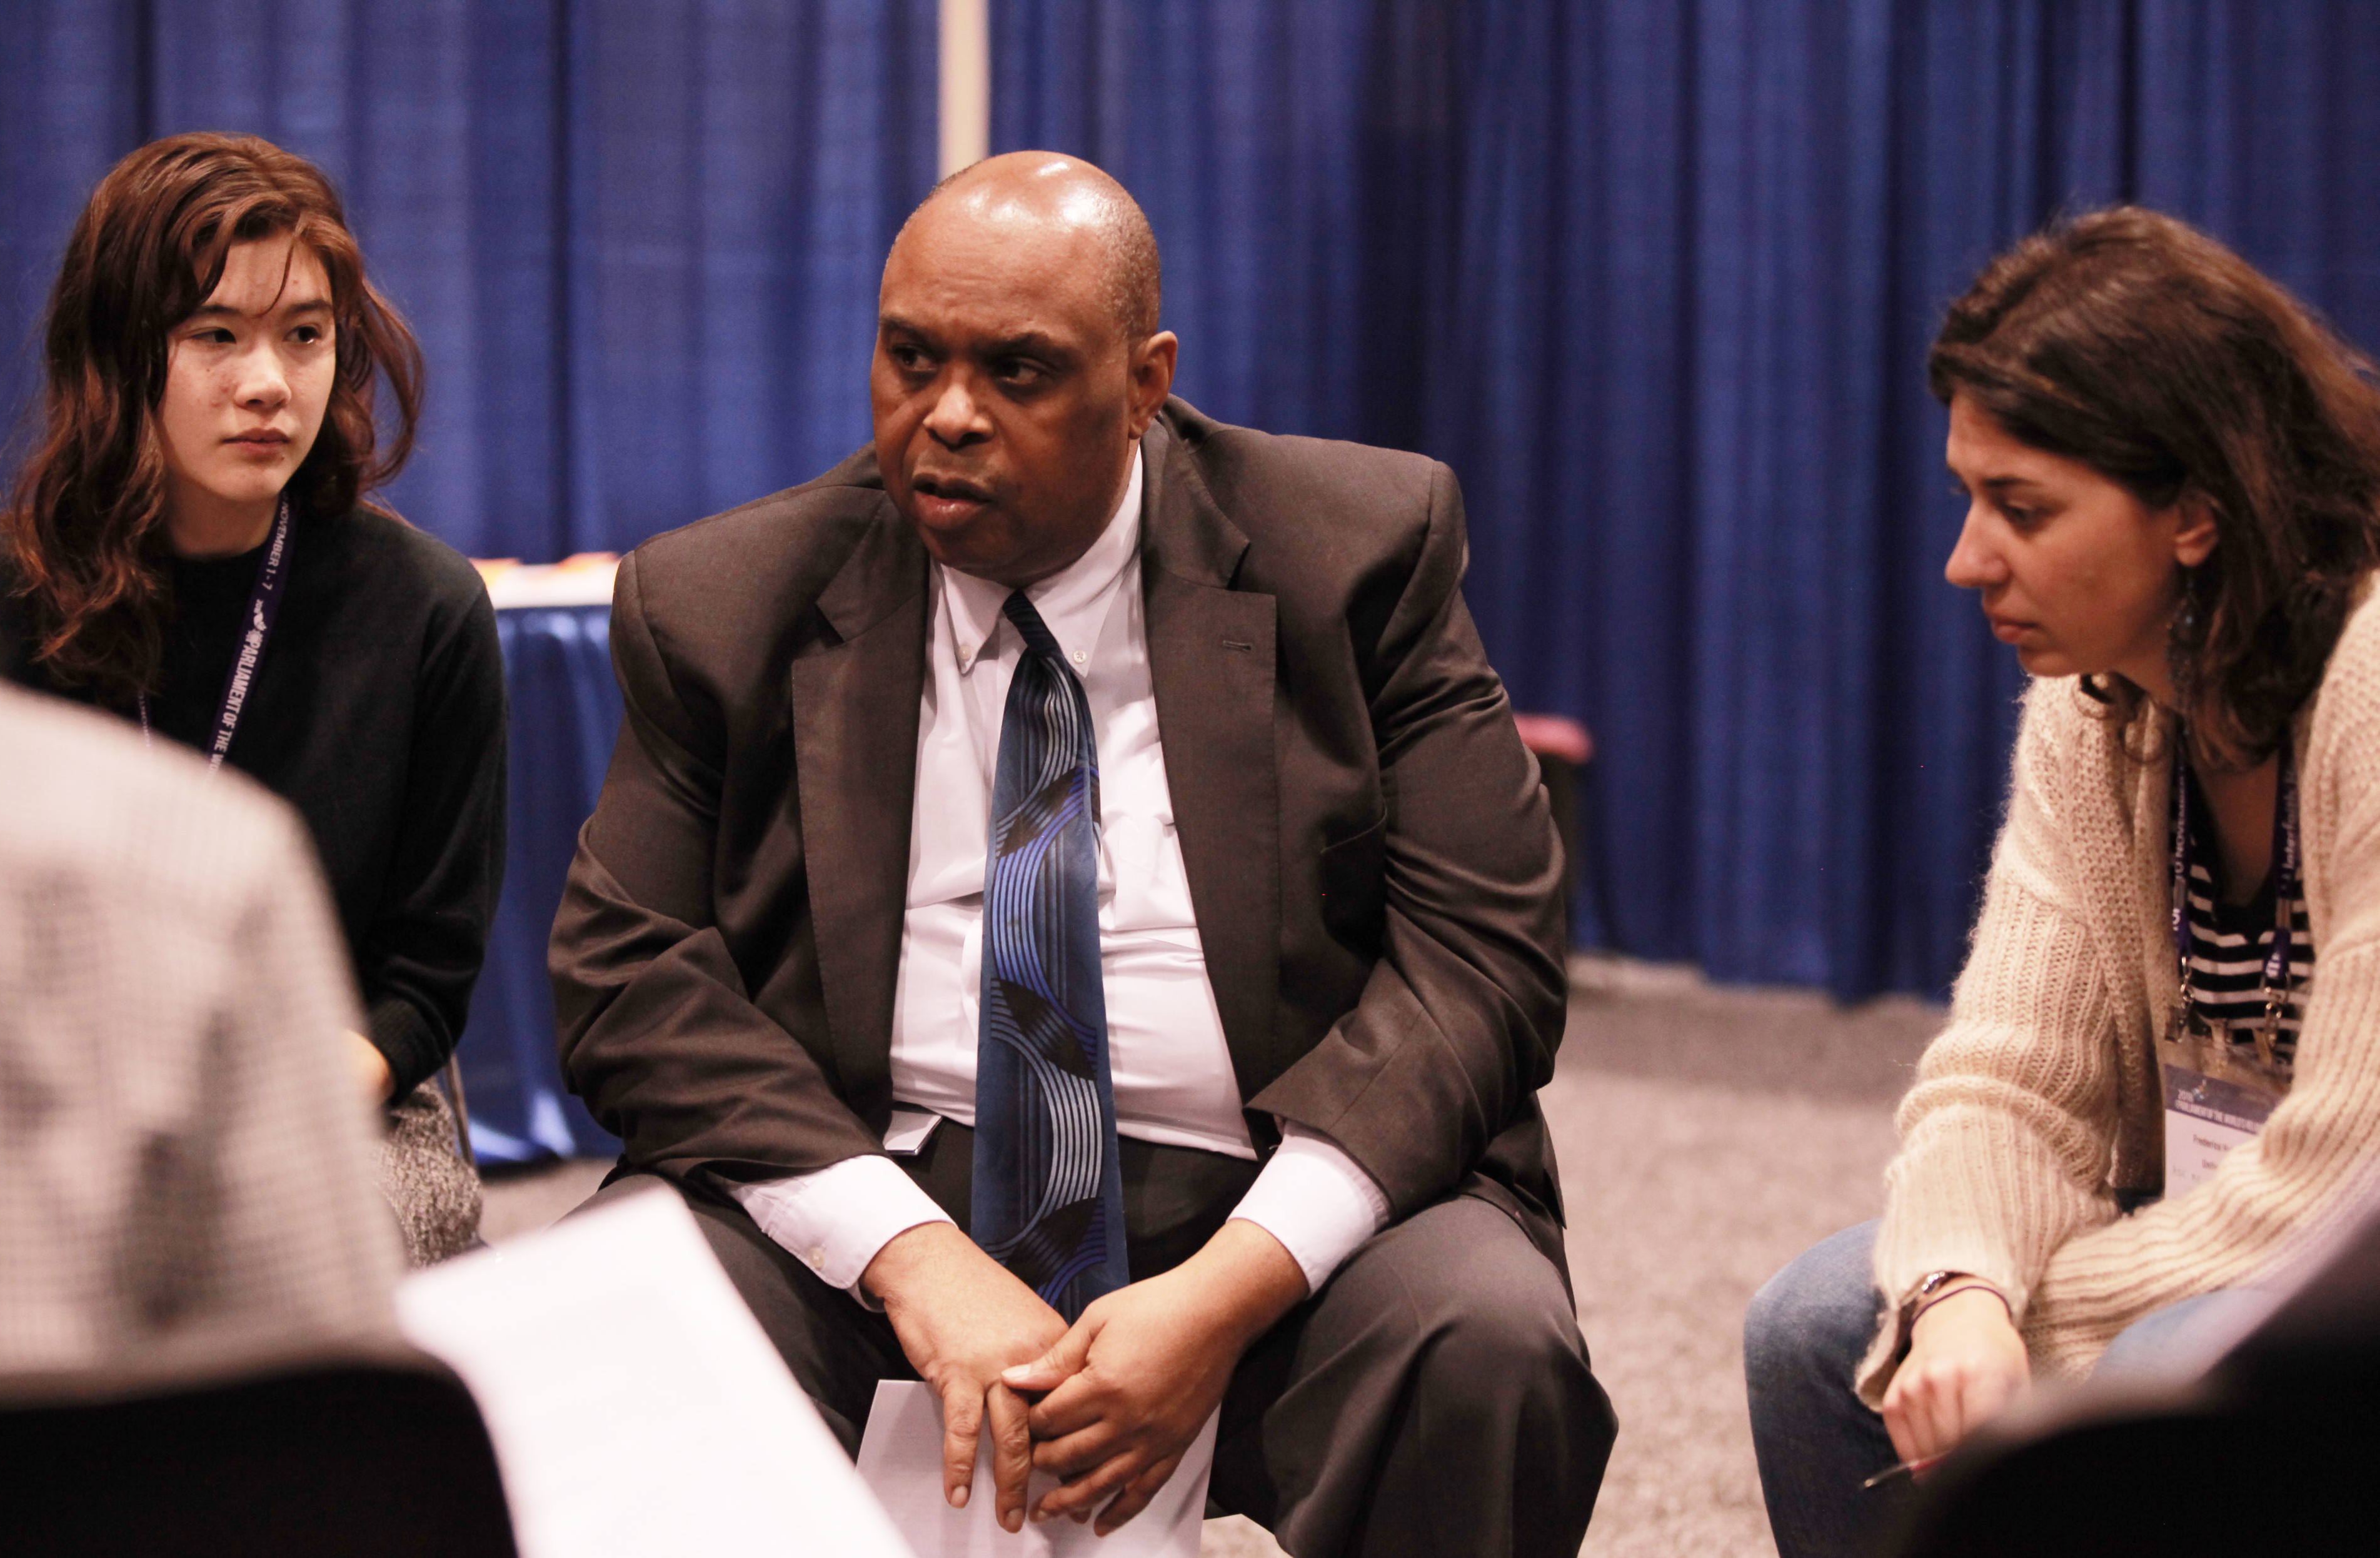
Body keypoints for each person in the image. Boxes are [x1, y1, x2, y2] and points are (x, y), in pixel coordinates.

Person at [550, 152, 1614, 1557]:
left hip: (1265, 1178)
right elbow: (625, 974)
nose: (947, 417)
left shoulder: (1351, 553)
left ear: (1144, 379)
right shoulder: (725, 599)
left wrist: (1229, 1287)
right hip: (885, 1169)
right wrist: (911, 1255)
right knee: (623, 1327)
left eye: (1019, 371)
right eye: (909, 356)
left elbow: (1481, 959)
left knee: (1483, 1346)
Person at [1744, 206, 2380, 1557]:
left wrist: (2044, 1317)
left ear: (2197, 512)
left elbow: (2348, 1181)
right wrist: (1959, 1286)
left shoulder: (2370, 684)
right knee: (1811, 1330)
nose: (1965, 560)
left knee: (2157, 1380)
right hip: (2208, 1235)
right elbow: (2004, 1080)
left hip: (2350, 1262)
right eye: (1969, 499)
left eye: (2019, 509)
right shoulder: (2100, 698)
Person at [0, 133, 507, 1265]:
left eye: (304, 336)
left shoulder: (425, 609)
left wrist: (274, 1109)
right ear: (119, 353)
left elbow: (424, 980)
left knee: (310, 1237)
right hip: (34, 1101)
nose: (267, 384)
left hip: (338, 1099)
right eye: (214, 336)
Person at [0, 628, 402, 1384]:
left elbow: (424, 980)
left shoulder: (417, 606)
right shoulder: (197, 856)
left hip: (362, 1085)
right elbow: (320, 1400)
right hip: (91, 1476)